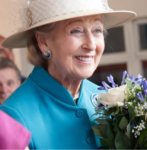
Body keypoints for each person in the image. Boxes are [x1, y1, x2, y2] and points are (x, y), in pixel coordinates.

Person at [0, 0, 136, 149]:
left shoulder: (110, 100)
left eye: (97, 30)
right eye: (76, 31)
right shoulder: (13, 115)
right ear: (43, 41)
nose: (91, 45)